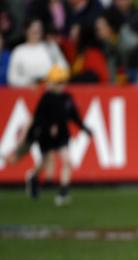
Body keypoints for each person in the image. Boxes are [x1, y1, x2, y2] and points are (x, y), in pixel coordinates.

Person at [7, 64, 92, 206]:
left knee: (67, 161)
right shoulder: (46, 98)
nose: (61, 85)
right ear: (51, 83)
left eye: (63, 81)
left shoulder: (67, 98)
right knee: (47, 163)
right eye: (58, 82)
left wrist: (84, 128)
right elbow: (38, 118)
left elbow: (74, 116)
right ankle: (33, 176)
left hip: (62, 134)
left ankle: (63, 193)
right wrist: (48, 128)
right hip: (46, 136)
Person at [101, 0, 138, 83]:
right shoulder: (106, 15)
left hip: (133, 64)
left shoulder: (137, 15)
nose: (122, 1)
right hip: (112, 63)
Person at [7, 18, 68, 87]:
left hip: (50, 90)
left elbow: (64, 68)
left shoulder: (51, 47)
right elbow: (12, 78)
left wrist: (53, 78)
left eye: (38, 29)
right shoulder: (18, 51)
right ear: (25, 30)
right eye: (32, 29)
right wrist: (28, 81)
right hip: (26, 92)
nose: (36, 31)